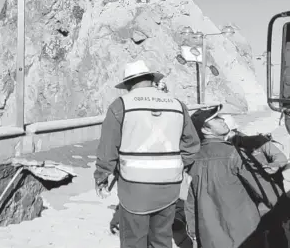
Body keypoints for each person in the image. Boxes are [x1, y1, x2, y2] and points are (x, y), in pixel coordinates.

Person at [94, 59, 201, 248]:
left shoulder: (121, 105)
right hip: (169, 187)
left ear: (128, 84)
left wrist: (102, 175)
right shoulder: (177, 105)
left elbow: (108, 147)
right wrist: (178, 165)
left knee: (134, 240)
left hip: (134, 188)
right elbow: (191, 145)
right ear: (152, 79)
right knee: (161, 238)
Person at [184, 104, 264, 248]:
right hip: (245, 233)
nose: (222, 120)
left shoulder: (193, 160)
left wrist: (193, 233)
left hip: (211, 237)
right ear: (205, 130)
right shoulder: (235, 154)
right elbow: (262, 189)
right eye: (216, 119)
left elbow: (190, 203)